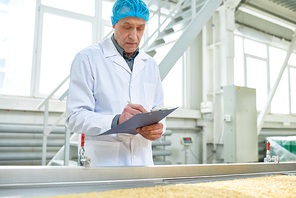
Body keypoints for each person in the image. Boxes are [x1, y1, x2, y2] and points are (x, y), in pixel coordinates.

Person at [66, 0, 166, 167]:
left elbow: (158, 110)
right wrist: (116, 121)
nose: (134, 36)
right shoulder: (88, 58)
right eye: (127, 27)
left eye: (140, 28)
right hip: (104, 163)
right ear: (114, 24)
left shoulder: (150, 64)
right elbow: (75, 117)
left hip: (143, 163)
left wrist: (158, 129)